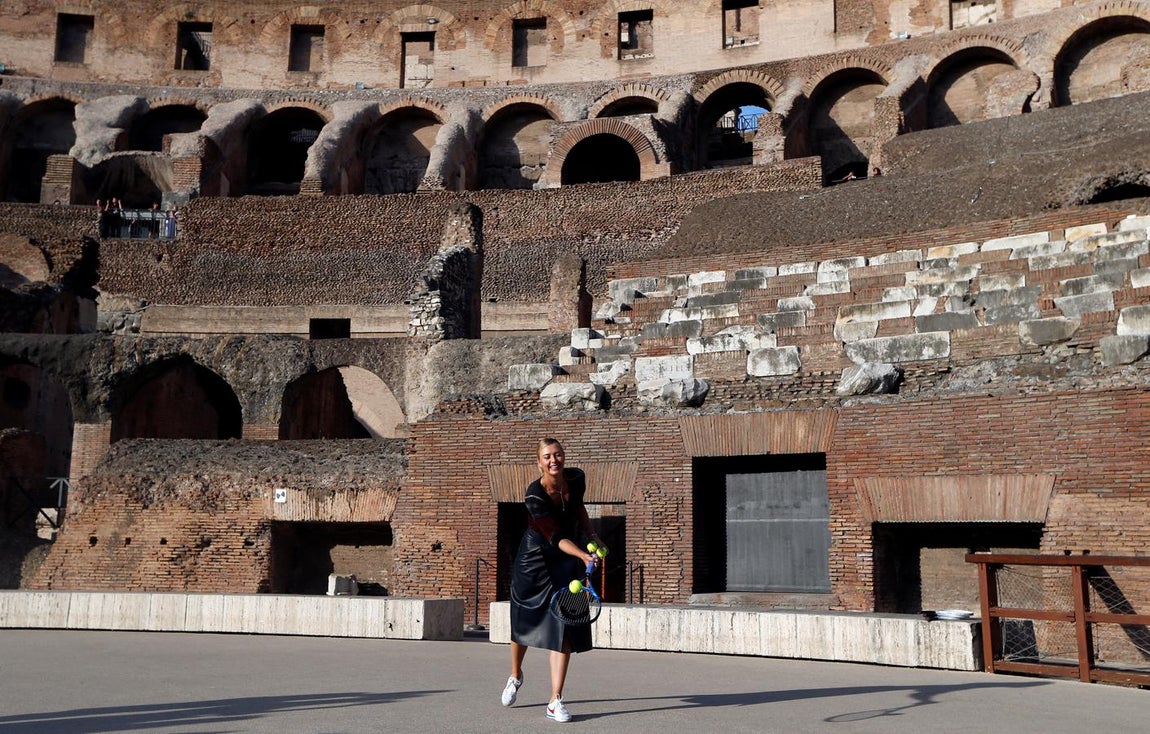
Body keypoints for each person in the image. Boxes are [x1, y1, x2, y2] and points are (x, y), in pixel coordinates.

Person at [502, 438, 600, 723]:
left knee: (565, 626)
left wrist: (592, 535)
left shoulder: (576, 478)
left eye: (557, 454)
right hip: (534, 560)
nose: (553, 460)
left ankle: (555, 700)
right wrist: (583, 554)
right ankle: (516, 675)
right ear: (539, 462)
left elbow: (579, 508)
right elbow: (555, 537)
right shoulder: (535, 495)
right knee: (523, 624)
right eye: (547, 457)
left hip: (567, 560)